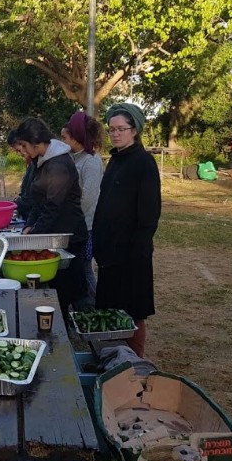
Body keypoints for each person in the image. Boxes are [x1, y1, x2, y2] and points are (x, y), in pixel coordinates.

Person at [93, 103, 161, 358]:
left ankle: (136, 365)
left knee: (133, 313)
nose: (116, 133)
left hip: (132, 254)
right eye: (111, 129)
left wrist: (138, 250)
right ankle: (113, 360)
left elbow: (149, 213)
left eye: (122, 129)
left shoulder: (144, 162)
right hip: (109, 252)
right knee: (110, 311)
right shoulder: (115, 161)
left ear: (135, 130)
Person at [13, 117, 88, 321]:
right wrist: (29, 225)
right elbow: (38, 201)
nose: (23, 150)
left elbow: (52, 207)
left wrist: (33, 238)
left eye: (24, 145)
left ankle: (74, 327)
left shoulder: (59, 165)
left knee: (67, 289)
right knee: (56, 287)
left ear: (37, 143)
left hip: (69, 235)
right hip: (53, 232)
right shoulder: (42, 160)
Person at [60, 111, 105, 310]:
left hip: (84, 226)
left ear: (77, 137)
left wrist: (70, 217)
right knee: (77, 267)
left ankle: (92, 307)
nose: (62, 141)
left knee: (85, 268)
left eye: (65, 138)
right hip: (72, 224)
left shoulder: (92, 162)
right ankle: (81, 305)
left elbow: (88, 198)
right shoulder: (74, 158)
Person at [7, 130, 35, 221]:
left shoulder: (37, 164)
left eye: (19, 150)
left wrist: (15, 204)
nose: (20, 153)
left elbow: (32, 198)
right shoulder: (30, 163)